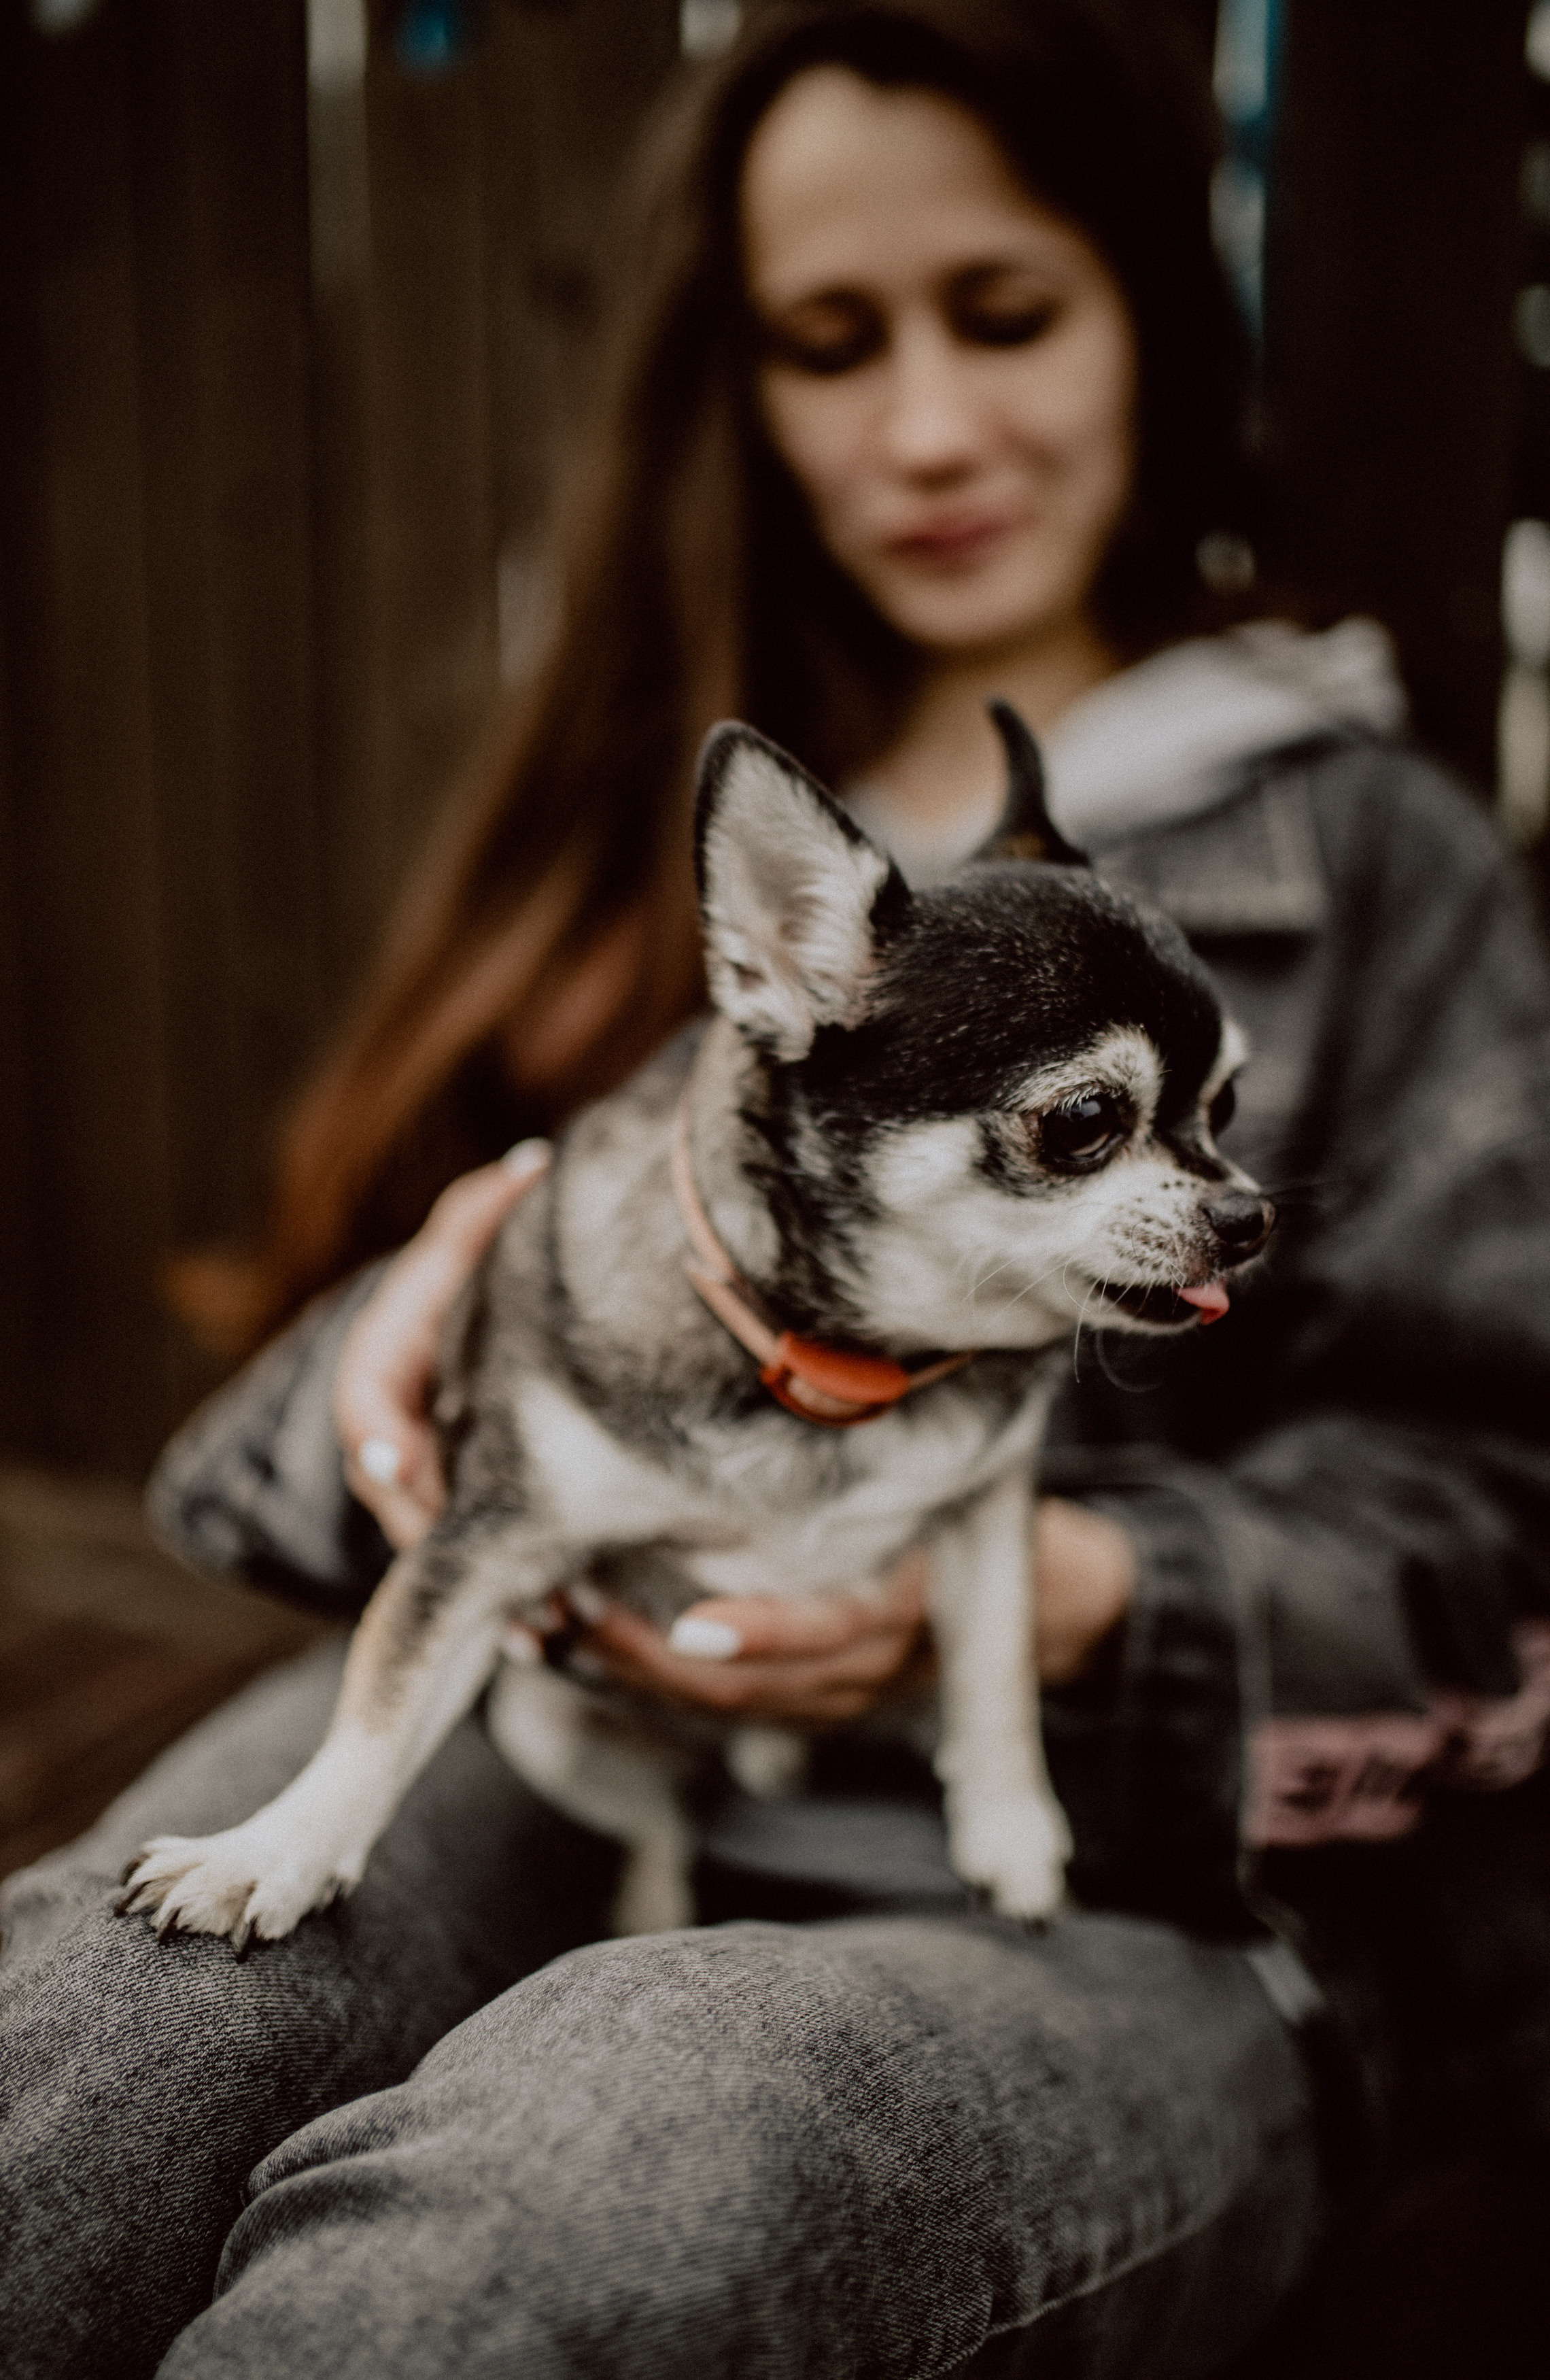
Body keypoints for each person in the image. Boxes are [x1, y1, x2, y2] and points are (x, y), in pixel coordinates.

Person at [4, 5, 1549, 2375]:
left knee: (608, 2170)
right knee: (90, 2066)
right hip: (539, 1710)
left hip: (1122, 1904)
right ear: (740, 385)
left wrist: (1067, 1595)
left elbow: (1503, 1526)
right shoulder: (643, 807)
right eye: (832, 343)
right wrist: (397, 1363)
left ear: (1151, 297)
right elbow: (274, 1455)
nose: (928, 424)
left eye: (1004, 310)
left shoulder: (1379, 856)